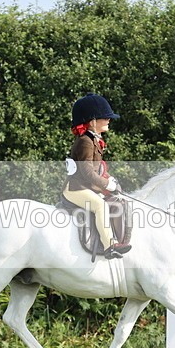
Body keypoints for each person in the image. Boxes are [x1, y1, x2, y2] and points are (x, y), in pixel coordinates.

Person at [63, 93, 132, 260]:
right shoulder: (85, 141)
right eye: (104, 117)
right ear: (92, 121)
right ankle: (110, 246)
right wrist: (107, 185)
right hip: (76, 188)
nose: (108, 120)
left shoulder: (93, 139)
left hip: (86, 186)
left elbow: (97, 168)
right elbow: (87, 172)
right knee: (100, 206)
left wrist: (110, 180)